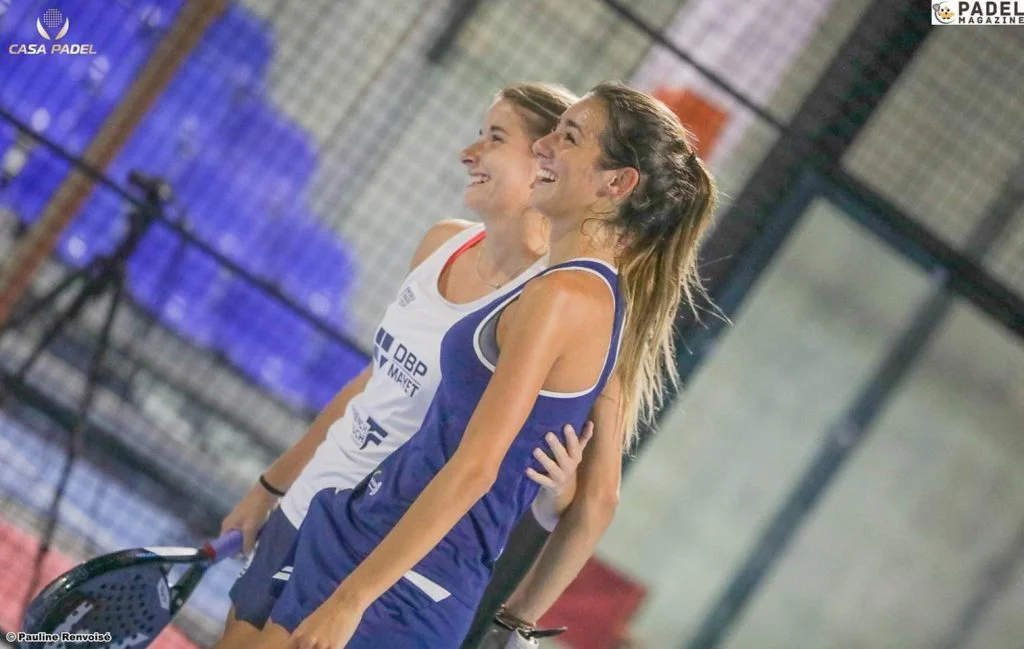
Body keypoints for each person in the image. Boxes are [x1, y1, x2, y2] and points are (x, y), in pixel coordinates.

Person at [255, 80, 718, 649]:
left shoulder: (564, 297)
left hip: (404, 582)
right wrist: (515, 621)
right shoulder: (568, 289)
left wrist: (355, 598)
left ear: (616, 183)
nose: (544, 146)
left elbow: (479, 468)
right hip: (368, 533)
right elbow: (586, 496)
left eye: (569, 137)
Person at [213, 82, 595, 649]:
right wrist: (269, 487)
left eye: (494, 138)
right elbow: (372, 386)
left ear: (543, 161)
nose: (469, 153)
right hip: (308, 501)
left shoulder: (550, 303)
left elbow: (531, 475)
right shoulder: (441, 242)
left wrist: (558, 492)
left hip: (374, 541)